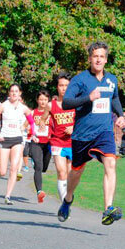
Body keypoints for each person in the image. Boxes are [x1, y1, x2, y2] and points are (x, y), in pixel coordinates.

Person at [57, 42, 125, 226]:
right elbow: (66, 103)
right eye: (95, 56)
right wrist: (89, 98)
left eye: (101, 56)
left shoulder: (111, 80)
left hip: (104, 132)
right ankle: (68, 199)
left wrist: (120, 115)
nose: (98, 59)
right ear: (90, 59)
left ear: (106, 59)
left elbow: (115, 98)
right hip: (82, 135)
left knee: (110, 163)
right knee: (77, 171)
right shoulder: (80, 80)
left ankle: (108, 209)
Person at [0, 84, 35, 205]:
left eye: (16, 91)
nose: (14, 93)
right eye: (12, 91)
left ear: (20, 93)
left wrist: (33, 133)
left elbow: (31, 121)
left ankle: (8, 195)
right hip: (4, 139)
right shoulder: (3, 106)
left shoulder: (24, 108)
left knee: (14, 168)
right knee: (3, 171)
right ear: (9, 93)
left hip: (17, 139)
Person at [49, 72, 76, 202]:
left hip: (73, 143)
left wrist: (73, 127)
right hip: (57, 142)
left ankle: (68, 198)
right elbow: (42, 119)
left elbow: (84, 120)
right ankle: (64, 204)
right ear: (57, 87)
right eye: (61, 85)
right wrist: (42, 125)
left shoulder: (76, 103)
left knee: (70, 175)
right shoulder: (51, 105)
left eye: (66, 85)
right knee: (61, 172)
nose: (64, 88)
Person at [29, 90, 52, 203]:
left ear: (48, 101)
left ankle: (37, 162)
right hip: (36, 142)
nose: (43, 102)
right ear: (37, 100)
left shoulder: (52, 113)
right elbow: (25, 125)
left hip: (48, 143)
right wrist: (30, 134)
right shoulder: (33, 113)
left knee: (43, 168)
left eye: (45, 100)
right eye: (41, 99)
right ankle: (39, 192)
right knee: (38, 166)